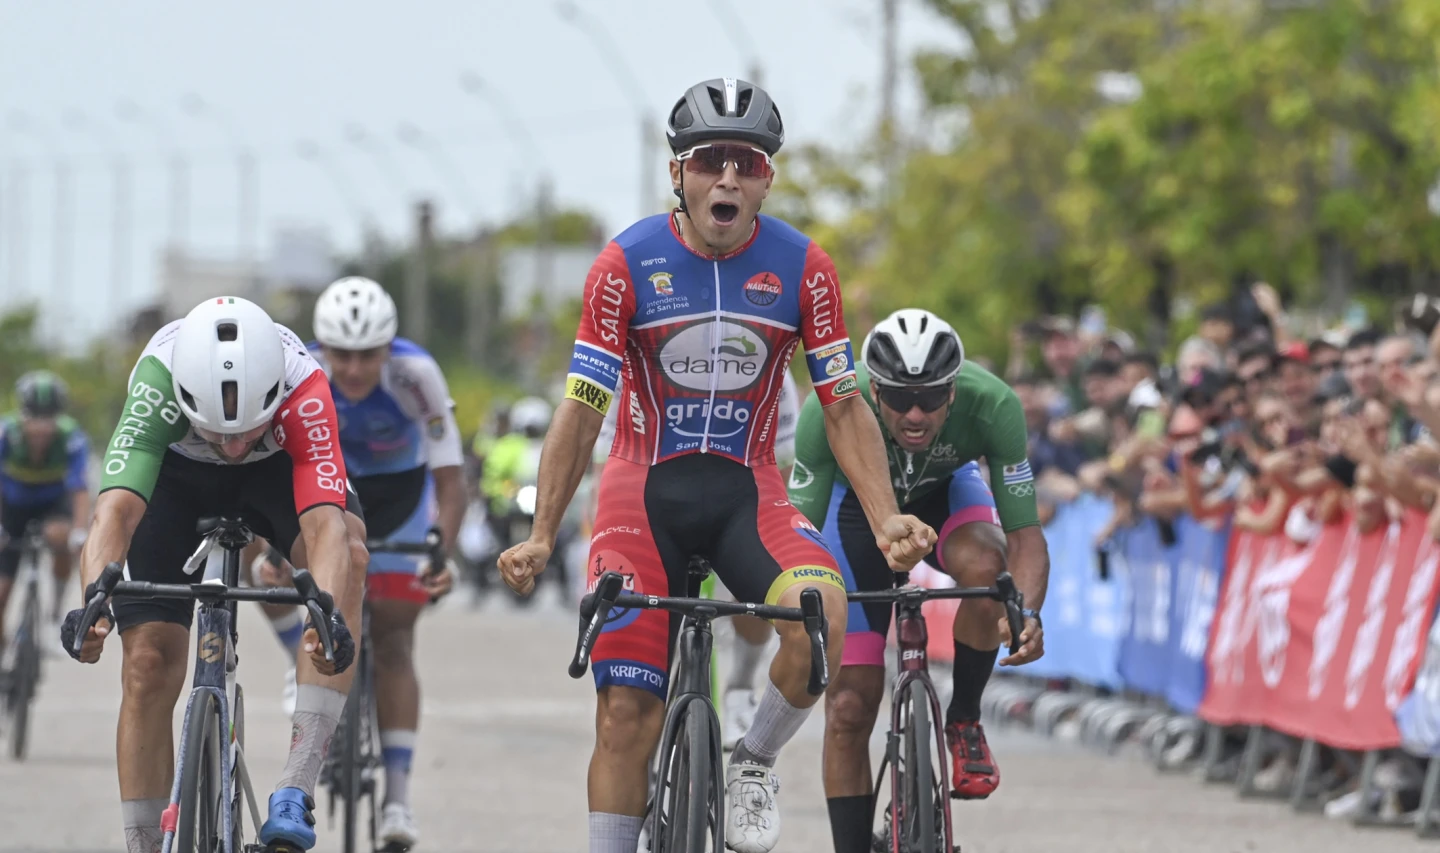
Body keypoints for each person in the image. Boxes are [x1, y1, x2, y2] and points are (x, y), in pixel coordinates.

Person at [496, 77, 935, 853]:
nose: (728, 177)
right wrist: (541, 531)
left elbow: (841, 403)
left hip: (747, 491)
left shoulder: (806, 267)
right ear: (679, 174)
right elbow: (582, 407)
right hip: (642, 493)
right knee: (626, 712)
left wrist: (885, 516)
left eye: (748, 162)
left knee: (819, 614)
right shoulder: (624, 262)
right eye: (710, 161)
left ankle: (755, 755)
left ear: (767, 177)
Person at [62, 296, 363, 853]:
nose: (231, 446)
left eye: (246, 431)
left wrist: (326, 613)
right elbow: (115, 512)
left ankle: (296, 787)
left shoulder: (304, 387)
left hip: (276, 473)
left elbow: (325, 530)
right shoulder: (157, 377)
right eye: (218, 431)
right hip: (176, 479)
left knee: (351, 561)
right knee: (148, 663)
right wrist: (91, 602)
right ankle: (145, 845)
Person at [786, 309, 1049, 853]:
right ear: (872, 388)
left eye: (930, 398)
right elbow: (800, 534)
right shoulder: (830, 402)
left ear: (953, 391)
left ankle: (965, 718)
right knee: (851, 705)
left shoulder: (994, 403)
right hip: (853, 508)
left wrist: (1025, 613)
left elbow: (1024, 535)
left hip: (946, 492)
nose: (914, 413)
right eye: (899, 398)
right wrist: (800, 607)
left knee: (987, 569)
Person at [303, 275, 461, 848]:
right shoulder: (303, 371)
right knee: (299, 600)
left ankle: (397, 797)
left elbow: (449, 477)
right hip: (329, 493)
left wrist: (441, 545)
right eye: (340, 355)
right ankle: (315, 703)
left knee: (394, 638)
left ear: (388, 347)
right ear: (322, 348)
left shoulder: (415, 375)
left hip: (399, 501)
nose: (351, 369)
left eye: (367, 355)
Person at [0, 370, 90, 639]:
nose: (40, 427)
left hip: (53, 503)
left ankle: (53, 615)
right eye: (34, 418)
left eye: (48, 419)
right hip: (12, 506)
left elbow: (79, 489)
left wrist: (79, 531)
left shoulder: (71, 437)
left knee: (60, 537)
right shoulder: (6, 433)